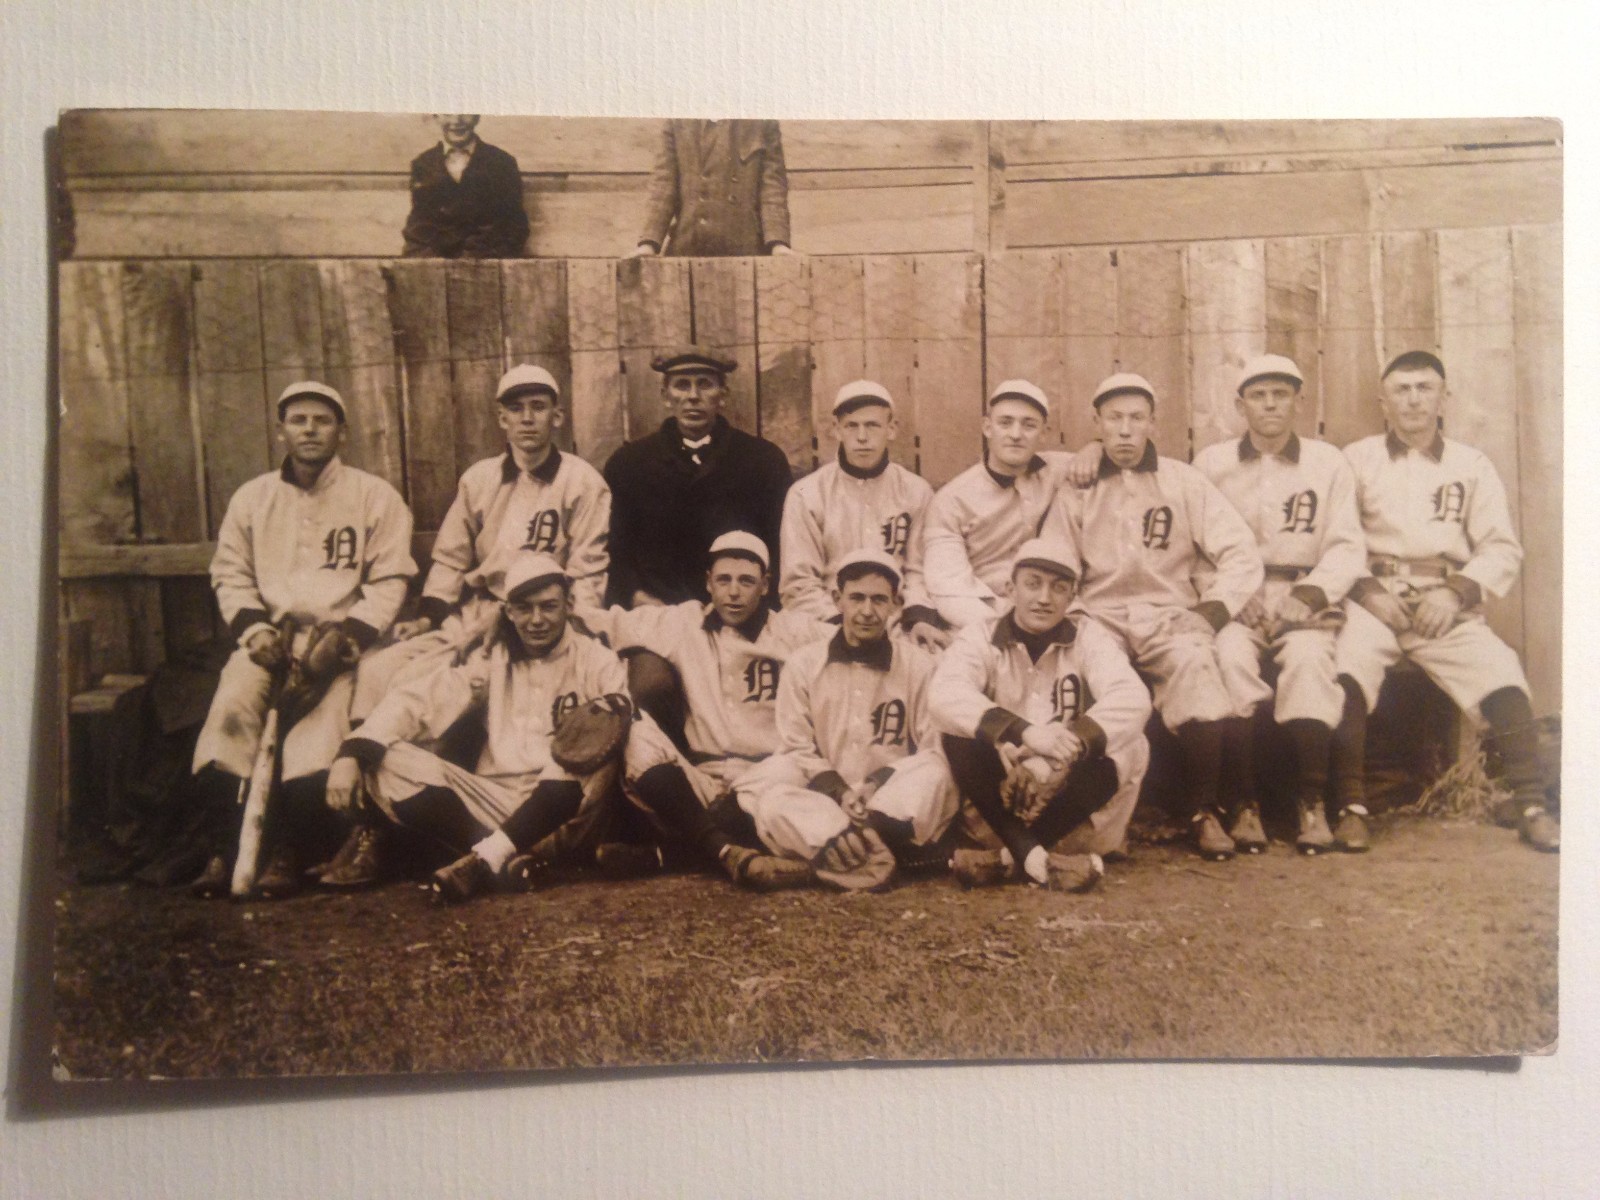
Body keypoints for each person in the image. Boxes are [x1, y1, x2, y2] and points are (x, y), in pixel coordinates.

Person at [189, 381, 416, 897]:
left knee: (317, 733)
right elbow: (230, 573)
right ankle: (224, 852)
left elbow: (390, 580)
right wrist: (254, 630)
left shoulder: (373, 495)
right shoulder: (253, 498)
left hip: (339, 646)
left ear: (342, 431)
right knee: (230, 713)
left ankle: (289, 852)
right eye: (298, 420)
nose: (310, 430)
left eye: (322, 420)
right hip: (271, 639)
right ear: (281, 431)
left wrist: (341, 643)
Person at [1329, 350, 1559, 853]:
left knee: (1499, 666)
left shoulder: (1470, 464)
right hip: (1374, 599)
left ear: (1443, 398)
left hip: (1442, 602)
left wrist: (1455, 593)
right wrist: (1367, 593)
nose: (1413, 399)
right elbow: (1337, 540)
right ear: (1383, 401)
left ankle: (1531, 804)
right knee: (1346, 663)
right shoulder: (1356, 458)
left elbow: (1501, 546)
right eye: (1401, 389)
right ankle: (1350, 806)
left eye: (1424, 388)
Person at [1041, 373, 1265, 861]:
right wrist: (1073, 619)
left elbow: (1241, 551)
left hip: (1169, 611)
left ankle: (1202, 812)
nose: (1125, 430)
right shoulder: (1077, 486)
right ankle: (1101, 813)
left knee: (1198, 666)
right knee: (1102, 682)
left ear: (1152, 424)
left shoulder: (1183, 480)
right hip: (1099, 615)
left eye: (1136, 418)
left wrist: (1211, 611)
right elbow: (1057, 563)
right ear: (1096, 423)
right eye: (1114, 419)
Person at [326, 554, 628, 905]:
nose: (536, 620)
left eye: (549, 607)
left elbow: (615, 722)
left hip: (567, 815)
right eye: (524, 608)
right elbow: (420, 700)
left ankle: (491, 856)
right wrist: (351, 753)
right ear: (507, 611)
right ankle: (505, 858)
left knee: (594, 739)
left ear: (568, 605)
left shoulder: (595, 659)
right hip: (494, 803)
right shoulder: (492, 658)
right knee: (385, 759)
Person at [352, 364, 609, 718]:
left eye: (538, 406)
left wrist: (572, 625)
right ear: (502, 419)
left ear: (558, 416)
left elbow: (587, 571)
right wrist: (429, 617)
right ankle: (364, 764)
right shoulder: (480, 479)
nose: (528, 418)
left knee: (456, 692)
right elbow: (450, 557)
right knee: (379, 671)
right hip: (480, 609)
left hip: (541, 620)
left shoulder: (582, 482)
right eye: (516, 409)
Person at [575, 532, 828, 891]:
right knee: (636, 728)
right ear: (708, 582)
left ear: (766, 585)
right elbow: (603, 622)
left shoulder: (795, 630)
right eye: (723, 580)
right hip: (702, 780)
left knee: (793, 767)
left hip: (770, 778)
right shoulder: (682, 622)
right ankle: (719, 845)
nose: (734, 592)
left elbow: (852, 635)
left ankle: (673, 852)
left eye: (746, 581)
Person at [1190, 355, 1369, 854]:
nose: (1269, 404)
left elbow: (1347, 545)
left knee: (1310, 661)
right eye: (1258, 395)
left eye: (1280, 394)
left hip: (1303, 592)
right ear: (1240, 404)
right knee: (1228, 655)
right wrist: (1229, 594)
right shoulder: (1211, 464)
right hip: (1237, 596)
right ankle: (1244, 803)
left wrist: (1309, 594)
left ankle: (1310, 802)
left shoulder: (1327, 462)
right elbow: (1193, 549)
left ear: (1297, 401)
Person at [929, 538, 1152, 890]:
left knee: (1132, 743)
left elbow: (1133, 696)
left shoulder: (1089, 637)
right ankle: (1032, 855)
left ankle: (1012, 856)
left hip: (1069, 808)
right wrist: (1024, 732)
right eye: (1033, 584)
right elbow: (945, 694)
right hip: (998, 807)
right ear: (1010, 588)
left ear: (1072, 596)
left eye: (1059, 588)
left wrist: (1070, 743)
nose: (1045, 598)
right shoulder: (979, 636)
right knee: (953, 732)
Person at [737, 550, 960, 890]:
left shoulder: (919, 666)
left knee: (936, 773)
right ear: (837, 599)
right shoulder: (804, 664)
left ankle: (842, 852)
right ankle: (882, 852)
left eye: (878, 600)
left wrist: (875, 784)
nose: (867, 611)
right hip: (824, 800)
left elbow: (932, 748)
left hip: (890, 800)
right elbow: (796, 746)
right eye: (856, 598)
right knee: (769, 796)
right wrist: (839, 792)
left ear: (895, 604)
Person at [602, 347, 793, 740]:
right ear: (665, 395)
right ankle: (667, 780)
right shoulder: (630, 465)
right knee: (650, 688)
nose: (693, 396)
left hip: (739, 614)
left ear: (722, 394)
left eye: (704, 385)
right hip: (660, 617)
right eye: (681, 385)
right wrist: (639, 597)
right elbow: (616, 556)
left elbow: (778, 549)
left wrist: (750, 606)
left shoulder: (761, 462)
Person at [778, 380, 946, 649]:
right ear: (836, 430)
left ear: (891, 429)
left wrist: (917, 616)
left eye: (872, 426)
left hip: (895, 620)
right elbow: (799, 583)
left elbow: (918, 572)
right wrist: (840, 622)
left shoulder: (916, 492)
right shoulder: (806, 494)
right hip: (825, 619)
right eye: (851, 426)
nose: (862, 437)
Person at [920, 380, 1072, 629]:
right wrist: (1005, 628)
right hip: (979, 616)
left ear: (1044, 433)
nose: (1015, 434)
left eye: (1029, 425)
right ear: (987, 427)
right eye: (1005, 423)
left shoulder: (1058, 470)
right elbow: (949, 587)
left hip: (1048, 611)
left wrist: (1095, 448)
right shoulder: (951, 500)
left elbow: (1108, 460)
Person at [631, 119, 793, 258]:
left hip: (746, 250)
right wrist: (649, 242)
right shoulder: (678, 122)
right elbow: (664, 184)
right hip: (689, 249)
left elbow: (772, 187)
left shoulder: (761, 122)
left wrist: (778, 243)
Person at [401, 114, 529, 258]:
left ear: (477, 116)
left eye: (465, 112)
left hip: (488, 256)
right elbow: (420, 220)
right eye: (447, 113)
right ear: (436, 117)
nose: (456, 121)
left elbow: (513, 222)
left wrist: (474, 255)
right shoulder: (423, 163)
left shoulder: (501, 162)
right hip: (437, 257)